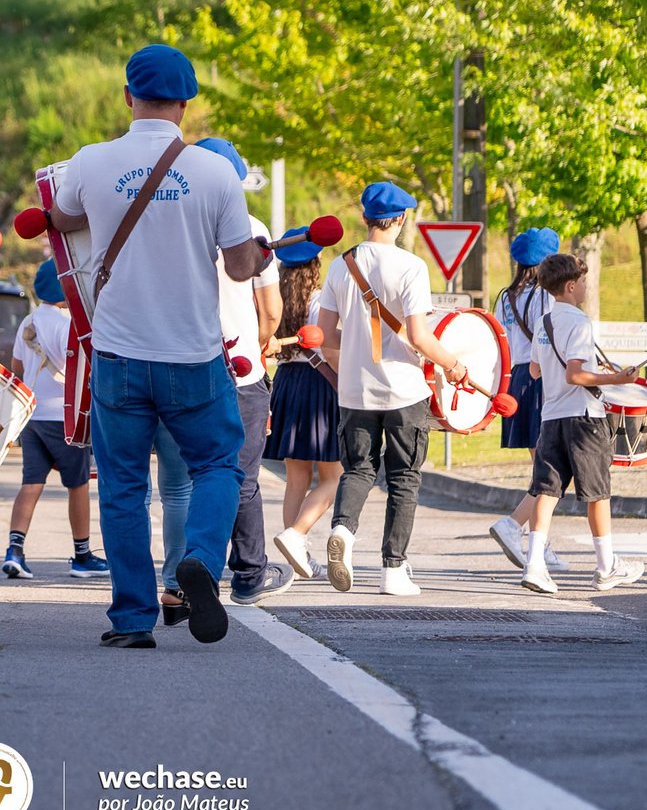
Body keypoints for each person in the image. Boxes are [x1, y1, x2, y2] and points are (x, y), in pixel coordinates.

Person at [45, 44, 270, 648]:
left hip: (118, 354)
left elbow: (61, 219)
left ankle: (131, 620)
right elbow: (241, 267)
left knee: (123, 487)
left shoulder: (90, 162)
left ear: (128, 97)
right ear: (186, 104)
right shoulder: (215, 172)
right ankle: (199, 560)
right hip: (193, 354)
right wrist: (259, 255)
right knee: (218, 465)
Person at [316, 182, 467, 597]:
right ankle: (393, 571)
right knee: (403, 478)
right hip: (403, 390)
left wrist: (358, 346)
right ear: (400, 219)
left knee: (358, 470)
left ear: (365, 218)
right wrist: (454, 365)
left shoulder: (340, 265)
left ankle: (342, 531)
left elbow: (325, 336)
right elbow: (419, 336)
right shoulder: (410, 266)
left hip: (354, 391)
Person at [195, 138, 292, 607]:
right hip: (240, 369)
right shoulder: (253, 229)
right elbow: (270, 310)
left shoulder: (170, 220)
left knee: (189, 477)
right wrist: (260, 338)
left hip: (181, 363)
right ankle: (250, 572)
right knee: (241, 474)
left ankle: (184, 572)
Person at [520, 253, 645, 595]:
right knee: (597, 494)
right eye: (584, 281)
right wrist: (617, 377)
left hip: (551, 416)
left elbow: (535, 369)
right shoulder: (579, 322)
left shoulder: (545, 322)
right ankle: (606, 567)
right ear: (571, 286)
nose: (587, 287)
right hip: (584, 417)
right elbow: (575, 375)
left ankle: (534, 566)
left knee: (546, 492)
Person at [2, 259, 110, 580]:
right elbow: (79, 367)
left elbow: (17, 366)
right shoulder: (68, 325)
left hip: (33, 416)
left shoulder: (28, 321)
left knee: (31, 483)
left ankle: (15, 550)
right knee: (77, 486)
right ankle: (82, 555)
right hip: (64, 417)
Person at [486, 228, 567, 573]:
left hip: (516, 378)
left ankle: (540, 543)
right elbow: (549, 338)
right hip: (540, 376)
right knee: (550, 467)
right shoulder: (545, 296)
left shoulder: (506, 297)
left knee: (542, 466)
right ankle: (516, 526)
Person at [265, 226, 342, 582]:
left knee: (296, 478)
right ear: (316, 262)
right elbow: (330, 347)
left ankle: (296, 558)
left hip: (287, 382)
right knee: (334, 476)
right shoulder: (320, 300)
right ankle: (296, 537)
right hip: (319, 385)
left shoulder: (276, 300)